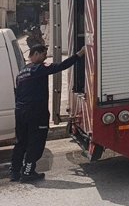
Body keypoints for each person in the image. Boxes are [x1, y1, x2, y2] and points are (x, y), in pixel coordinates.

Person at [10, 44, 85, 182]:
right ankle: (28, 172)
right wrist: (78, 55)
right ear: (36, 54)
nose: (45, 58)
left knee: (21, 142)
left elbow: (17, 93)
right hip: (36, 113)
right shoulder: (38, 68)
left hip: (20, 112)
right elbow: (60, 66)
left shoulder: (21, 72)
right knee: (36, 143)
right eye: (44, 54)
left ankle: (14, 172)